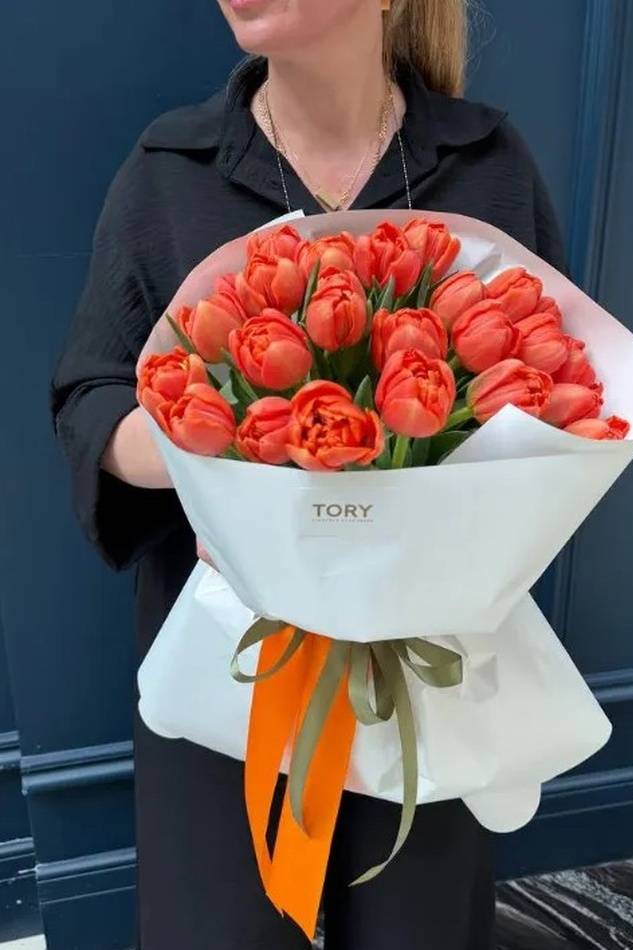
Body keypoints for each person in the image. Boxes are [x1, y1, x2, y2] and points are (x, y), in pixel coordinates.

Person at [51, 1, 565, 947]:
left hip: (428, 668)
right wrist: (209, 449)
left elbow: (555, 392)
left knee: (421, 929)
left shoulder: (488, 163)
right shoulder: (169, 172)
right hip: (230, 666)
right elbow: (89, 398)